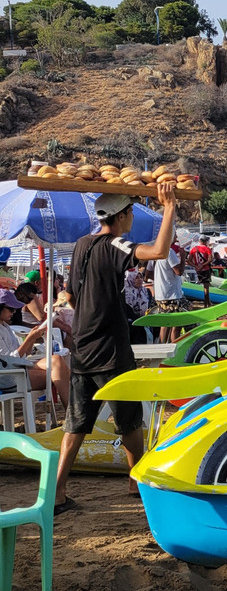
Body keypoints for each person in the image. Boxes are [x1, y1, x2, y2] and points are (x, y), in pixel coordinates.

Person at [56, 183, 177, 514]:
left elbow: (70, 296)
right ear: (122, 215)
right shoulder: (116, 242)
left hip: (83, 347)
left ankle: (57, 492)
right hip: (110, 347)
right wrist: (168, 207)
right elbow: (159, 253)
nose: (132, 220)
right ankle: (136, 483)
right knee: (129, 421)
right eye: (132, 214)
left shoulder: (82, 244)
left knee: (76, 424)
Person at [0, 287, 70, 405]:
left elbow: (24, 355)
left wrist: (32, 338)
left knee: (57, 361)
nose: (14, 312)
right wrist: (30, 338)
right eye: (11, 309)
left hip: (15, 369)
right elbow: (9, 360)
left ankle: (71, 411)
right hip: (8, 376)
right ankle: (71, 412)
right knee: (60, 374)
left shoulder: (5, 327)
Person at [187, 235, 214, 307]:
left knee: (204, 287)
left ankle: (208, 302)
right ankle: (206, 303)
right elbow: (210, 259)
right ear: (205, 241)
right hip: (205, 269)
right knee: (206, 287)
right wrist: (202, 265)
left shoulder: (194, 249)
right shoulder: (207, 249)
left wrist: (196, 266)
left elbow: (188, 261)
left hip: (198, 270)